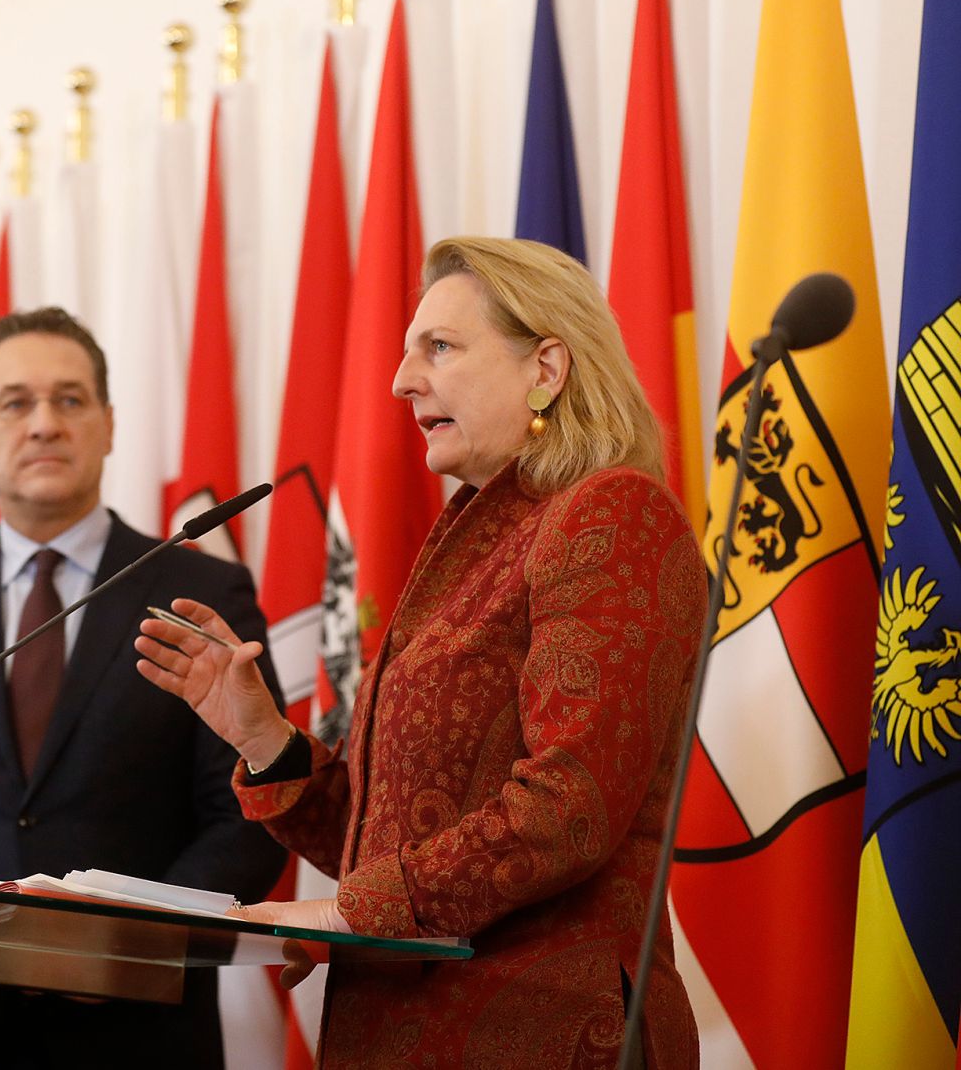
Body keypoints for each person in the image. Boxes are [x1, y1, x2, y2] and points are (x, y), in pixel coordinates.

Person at [137, 237, 703, 1069]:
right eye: (408, 351)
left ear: (547, 368)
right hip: (400, 1031)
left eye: (439, 347)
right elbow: (395, 841)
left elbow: (569, 808)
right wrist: (263, 737)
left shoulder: (611, 515)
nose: (402, 380)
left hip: (544, 1036)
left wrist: (348, 913)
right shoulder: (478, 541)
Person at [0, 307, 288, 1070]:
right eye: (15, 403)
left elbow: (248, 814)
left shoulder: (200, 590)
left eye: (69, 400)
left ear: (109, 425)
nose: (44, 423)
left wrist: (129, 940)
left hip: (137, 1033)